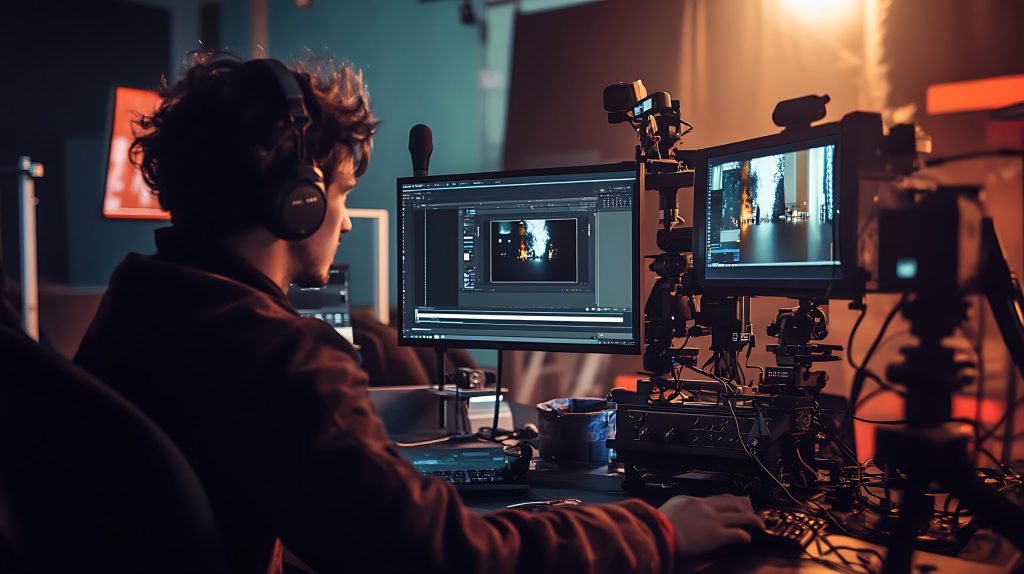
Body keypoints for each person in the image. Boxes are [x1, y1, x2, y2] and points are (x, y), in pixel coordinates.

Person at [75, 53, 762, 574]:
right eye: (341, 192)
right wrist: (659, 532)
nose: (343, 222)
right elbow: (446, 556)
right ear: (296, 200)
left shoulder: (139, 299)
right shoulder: (281, 358)